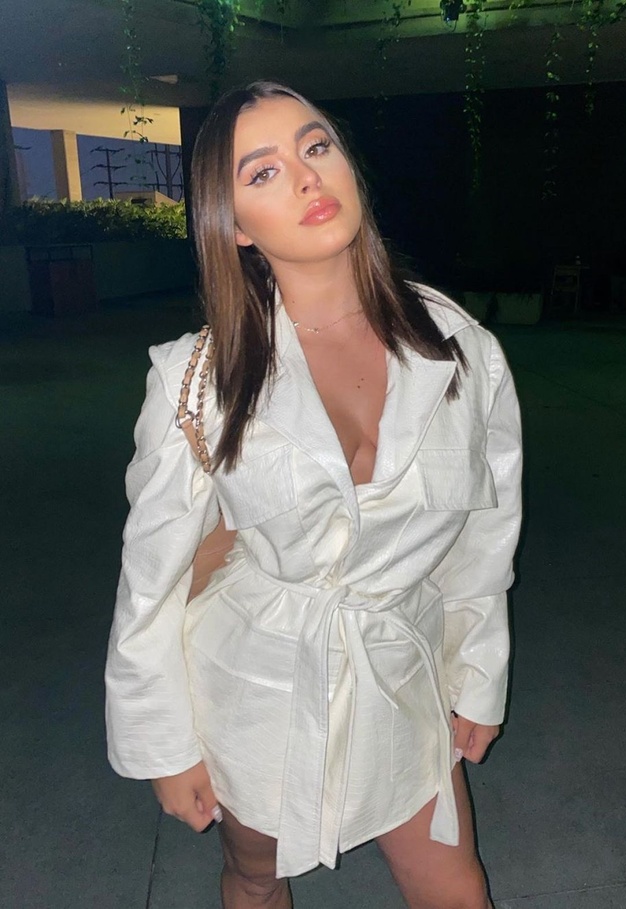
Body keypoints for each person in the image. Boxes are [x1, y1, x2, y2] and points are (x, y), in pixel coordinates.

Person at [105, 81, 522, 909]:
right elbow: (151, 577)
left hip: (397, 670)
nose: (305, 177)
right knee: (257, 876)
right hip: (255, 685)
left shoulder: (459, 348)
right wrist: (165, 744)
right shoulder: (200, 378)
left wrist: (477, 671)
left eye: (316, 146)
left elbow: (485, 533)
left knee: (453, 887)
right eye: (262, 172)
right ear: (234, 225)